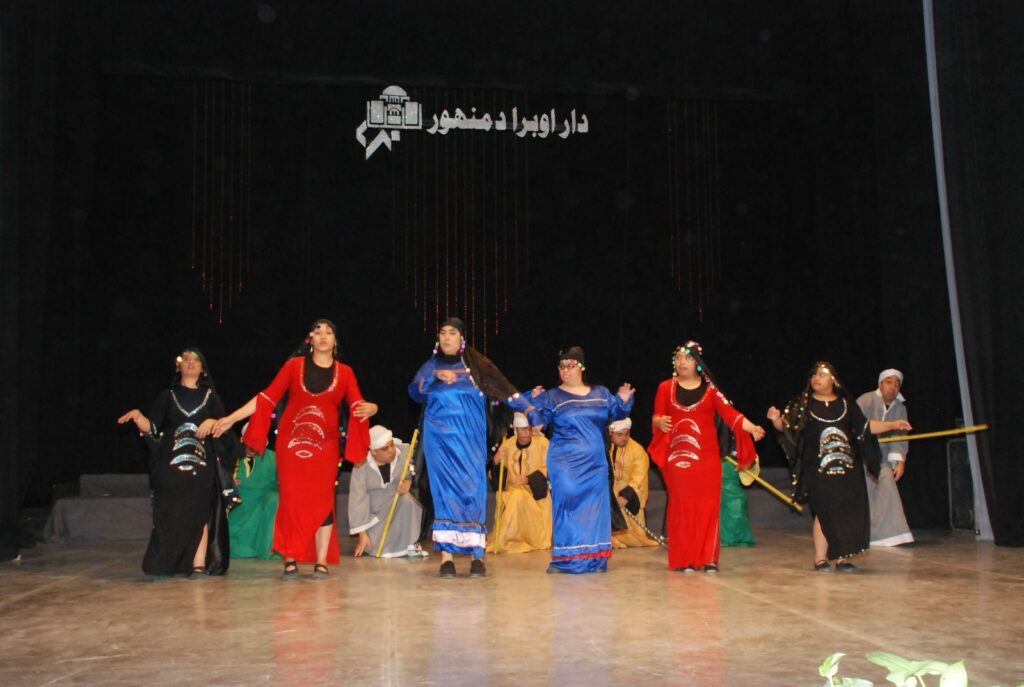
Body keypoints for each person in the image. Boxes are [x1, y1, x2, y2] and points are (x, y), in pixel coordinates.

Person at [212, 319, 378, 580]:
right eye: (318, 331)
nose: (323, 336)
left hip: (325, 448)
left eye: (329, 332)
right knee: (291, 501)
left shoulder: (345, 373)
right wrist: (232, 418)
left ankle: (321, 562)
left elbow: (359, 404)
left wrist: (373, 408)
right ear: (310, 339)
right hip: (291, 446)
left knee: (323, 502)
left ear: (335, 341)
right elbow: (266, 398)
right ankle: (290, 559)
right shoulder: (294, 366)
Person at [767, 361, 911, 573]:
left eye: (822, 374)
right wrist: (776, 420)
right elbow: (790, 428)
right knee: (824, 510)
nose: (816, 378)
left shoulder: (846, 403)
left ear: (832, 380)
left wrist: (892, 424)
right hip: (818, 469)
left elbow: (865, 426)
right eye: (814, 375)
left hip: (848, 468)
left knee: (845, 512)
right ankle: (820, 559)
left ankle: (842, 558)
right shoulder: (804, 404)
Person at [408, 317, 519, 578]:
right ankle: (446, 558)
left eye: (452, 333)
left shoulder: (477, 366)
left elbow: (504, 392)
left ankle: (476, 556)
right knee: (444, 495)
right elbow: (414, 392)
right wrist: (434, 377)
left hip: (471, 443)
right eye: (443, 333)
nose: (446, 337)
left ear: (462, 338)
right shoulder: (432, 365)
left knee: (474, 493)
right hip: (440, 443)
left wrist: (528, 405)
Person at [117, 348, 240, 577]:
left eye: (196, 360)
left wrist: (213, 422)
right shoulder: (167, 396)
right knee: (169, 513)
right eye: (186, 359)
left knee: (199, 513)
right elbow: (153, 428)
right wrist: (138, 417)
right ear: (178, 366)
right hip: (170, 466)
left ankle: (198, 565)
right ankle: (167, 562)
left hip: (202, 467)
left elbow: (225, 428)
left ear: (203, 369)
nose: (191, 362)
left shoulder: (210, 397)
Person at [513, 346, 634, 574]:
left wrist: (624, 400)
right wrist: (532, 401)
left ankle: (594, 559)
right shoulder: (552, 396)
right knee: (567, 506)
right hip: (565, 463)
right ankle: (566, 559)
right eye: (562, 366)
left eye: (571, 366)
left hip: (595, 464)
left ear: (582, 367)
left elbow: (617, 413)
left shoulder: (600, 392)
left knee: (595, 510)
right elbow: (538, 423)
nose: (566, 370)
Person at [648, 341, 764, 572]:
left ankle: (708, 558)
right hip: (677, 459)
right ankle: (684, 559)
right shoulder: (665, 388)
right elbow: (656, 417)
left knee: (707, 508)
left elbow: (731, 415)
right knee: (681, 508)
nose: (682, 362)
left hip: (707, 459)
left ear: (698, 363)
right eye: (678, 358)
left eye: (688, 358)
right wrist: (658, 422)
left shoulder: (711, 391)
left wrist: (752, 428)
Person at [350, 425, 427, 558]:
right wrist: (362, 534)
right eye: (385, 449)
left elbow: (423, 475)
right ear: (374, 452)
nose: (392, 450)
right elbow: (357, 500)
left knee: (409, 500)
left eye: (391, 445)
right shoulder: (361, 465)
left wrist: (412, 483)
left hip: (401, 510)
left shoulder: (406, 452)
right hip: (377, 518)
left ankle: (412, 543)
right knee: (373, 547)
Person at [857, 369, 914, 547]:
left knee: (887, 478)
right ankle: (861, 534)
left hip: (881, 459)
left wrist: (899, 461)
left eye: (897, 384)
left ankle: (889, 535)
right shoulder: (865, 400)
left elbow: (899, 437)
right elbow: (855, 426)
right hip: (860, 456)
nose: (893, 387)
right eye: (889, 382)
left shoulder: (900, 408)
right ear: (880, 384)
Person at [488, 412, 552, 554]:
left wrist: (529, 479)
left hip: (536, 498)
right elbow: (496, 478)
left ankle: (504, 540)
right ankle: (506, 538)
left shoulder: (543, 444)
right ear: (516, 430)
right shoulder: (507, 445)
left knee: (518, 496)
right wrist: (496, 461)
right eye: (523, 429)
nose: (527, 433)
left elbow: (549, 469)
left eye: (529, 429)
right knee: (513, 496)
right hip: (511, 493)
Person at [228, 423, 280, 559]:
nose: (252, 447)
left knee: (274, 500)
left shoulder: (273, 458)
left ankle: (268, 550)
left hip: (264, 510)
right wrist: (228, 482)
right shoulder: (232, 457)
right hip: (239, 510)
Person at [608, 418, 659, 549]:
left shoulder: (637, 451)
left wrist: (625, 496)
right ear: (610, 433)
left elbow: (639, 477)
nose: (624, 438)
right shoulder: (606, 447)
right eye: (619, 435)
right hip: (609, 494)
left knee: (637, 539)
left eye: (627, 434)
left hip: (631, 496)